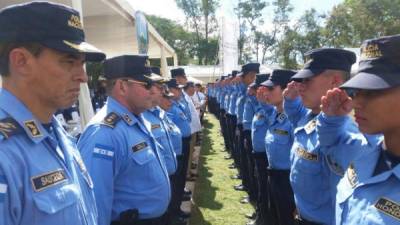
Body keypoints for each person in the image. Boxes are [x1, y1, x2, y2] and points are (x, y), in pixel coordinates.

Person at [0, 2, 105, 225]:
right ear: (21, 62)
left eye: (82, 64)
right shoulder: (5, 153)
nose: (83, 77)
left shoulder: (57, 133)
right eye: (69, 61)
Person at [78, 55, 171, 225]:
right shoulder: (104, 133)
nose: (153, 90)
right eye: (147, 84)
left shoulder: (136, 119)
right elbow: (96, 206)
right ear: (122, 86)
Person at [330, 34, 400, 225]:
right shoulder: (365, 152)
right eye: (355, 92)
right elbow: (331, 144)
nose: (355, 102)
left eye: (372, 91)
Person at [283, 48, 356, 225]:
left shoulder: (344, 134)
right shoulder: (308, 118)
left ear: (335, 82)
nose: (300, 85)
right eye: (300, 80)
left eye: (307, 80)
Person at [261, 69, 297, 225]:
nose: (265, 93)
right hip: (274, 175)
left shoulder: (294, 120)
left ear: (285, 90)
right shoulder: (276, 113)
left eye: (270, 88)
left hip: (287, 181)